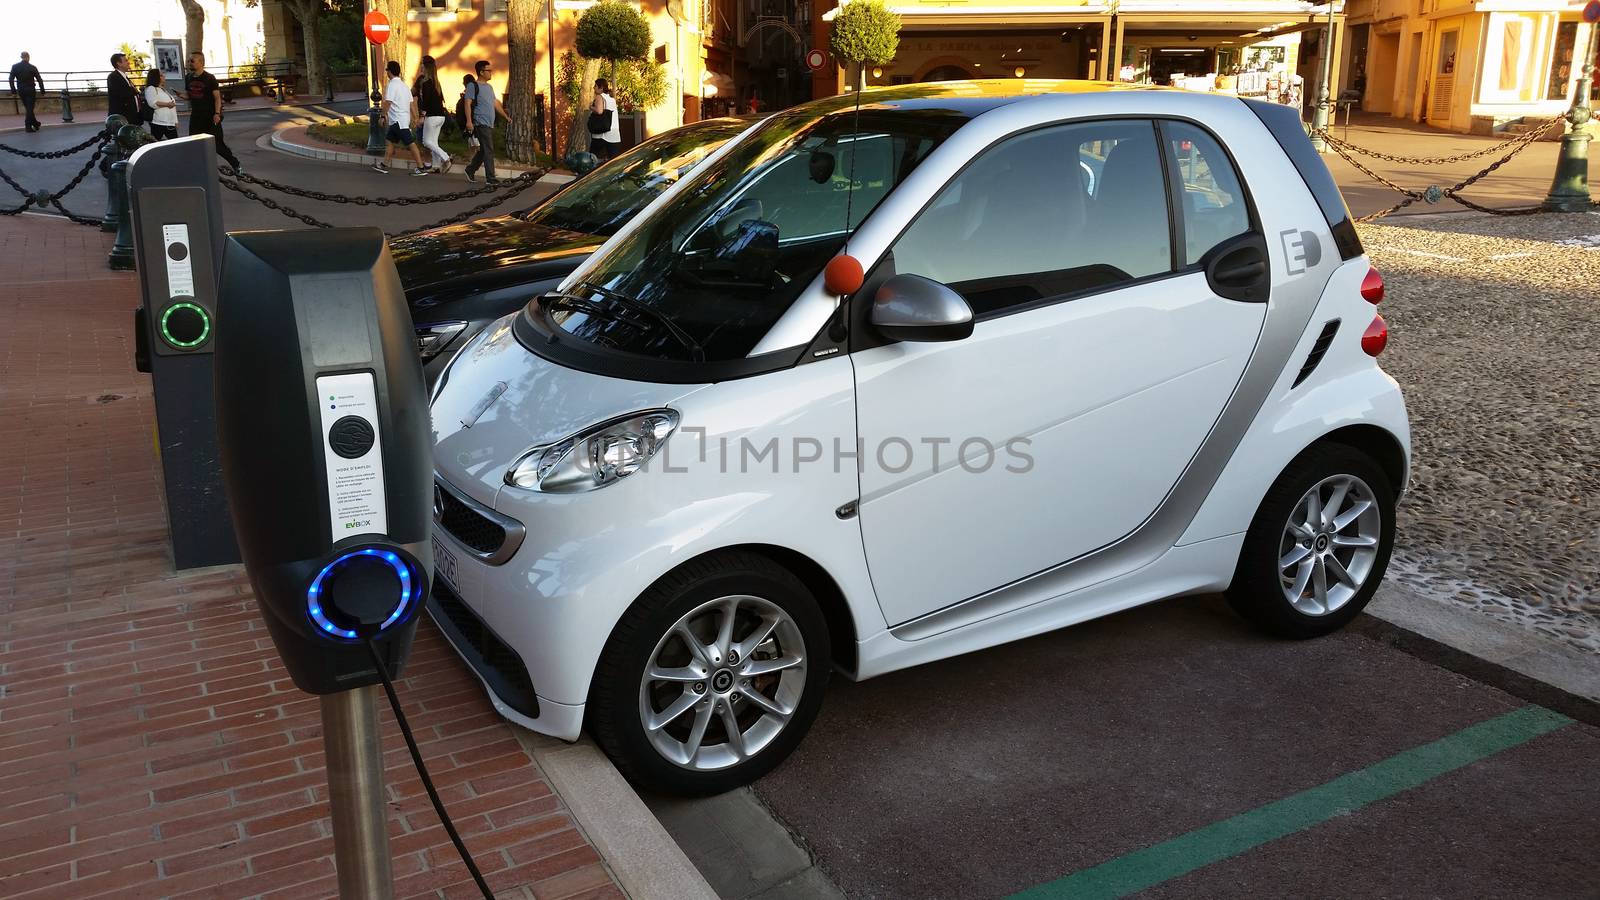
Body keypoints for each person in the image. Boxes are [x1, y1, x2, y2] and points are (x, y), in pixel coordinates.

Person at [186, 52, 242, 174]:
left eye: (192, 61)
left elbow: (217, 98)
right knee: (194, 143)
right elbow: (190, 95)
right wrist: (181, 95)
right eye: (189, 61)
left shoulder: (209, 78)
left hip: (210, 116)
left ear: (201, 62)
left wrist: (217, 113)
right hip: (196, 117)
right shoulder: (188, 77)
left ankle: (235, 164)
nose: (190, 63)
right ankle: (199, 169)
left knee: (217, 145)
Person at [373, 59, 426, 175]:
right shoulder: (404, 85)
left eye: (387, 70)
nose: (387, 73)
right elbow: (411, 103)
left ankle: (421, 167)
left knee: (410, 143)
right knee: (390, 141)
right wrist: (415, 117)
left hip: (398, 121)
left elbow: (388, 102)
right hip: (402, 120)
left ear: (390, 72)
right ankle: (384, 165)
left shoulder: (392, 85)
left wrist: (382, 116)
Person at [463, 60, 510, 185]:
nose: (491, 73)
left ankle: (470, 169)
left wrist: (505, 116)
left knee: (484, 149)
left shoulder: (489, 87)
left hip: (489, 123)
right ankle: (490, 178)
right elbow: (467, 103)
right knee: (489, 149)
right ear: (481, 72)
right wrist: (469, 121)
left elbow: (495, 103)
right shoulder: (473, 86)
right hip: (480, 122)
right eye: (489, 71)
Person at [413, 55, 450, 174]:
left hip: (432, 116)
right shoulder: (435, 82)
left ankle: (446, 158)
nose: (420, 66)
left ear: (426, 66)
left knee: (426, 141)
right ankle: (436, 166)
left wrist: (422, 116)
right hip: (440, 116)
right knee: (433, 142)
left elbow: (427, 100)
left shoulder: (425, 81)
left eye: (421, 64)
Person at [588, 77, 621, 162]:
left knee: (592, 158)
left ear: (601, 87)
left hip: (602, 133)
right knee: (614, 160)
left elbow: (599, 111)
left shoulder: (599, 97)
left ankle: (588, 174)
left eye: (595, 86)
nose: (594, 88)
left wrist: (591, 107)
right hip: (614, 133)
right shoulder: (612, 99)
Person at [9, 52, 44, 133]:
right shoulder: (32, 67)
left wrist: (13, 91)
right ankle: (28, 126)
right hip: (30, 90)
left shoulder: (15, 67)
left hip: (21, 90)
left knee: (29, 108)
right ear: (28, 57)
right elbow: (39, 79)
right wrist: (42, 90)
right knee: (30, 108)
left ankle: (35, 123)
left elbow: (11, 79)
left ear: (21, 57)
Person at [107, 52, 143, 124]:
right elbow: (123, 94)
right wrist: (135, 91)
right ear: (119, 63)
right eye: (126, 60)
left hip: (131, 116)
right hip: (123, 117)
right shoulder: (113, 77)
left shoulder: (124, 76)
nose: (128, 62)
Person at [143, 68, 179, 140]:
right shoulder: (151, 88)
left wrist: (176, 121)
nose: (164, 76)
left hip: (170, 122)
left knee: (175, 143)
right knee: (156, 143)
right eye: (161, 75)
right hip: (159, 122)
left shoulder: (162, 89)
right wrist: (167, 104)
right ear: (156, 77)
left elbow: (172, 107)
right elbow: (152, 103)